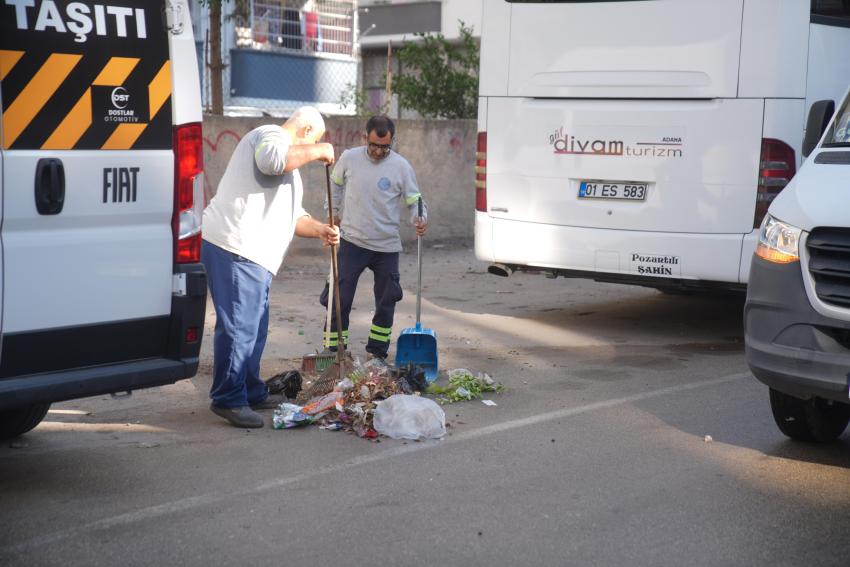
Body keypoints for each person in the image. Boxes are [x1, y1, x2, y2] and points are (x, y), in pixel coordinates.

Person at [202, 106, 338, 428]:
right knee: (240, 327)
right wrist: (319, 150)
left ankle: (250, 390)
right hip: (236, 247)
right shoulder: (270, 136)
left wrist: (320, 229)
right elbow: (272, 161)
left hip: (254, 257)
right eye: (313, 140)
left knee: (255, 327)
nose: (311, 149)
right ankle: (228, 398)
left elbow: (294, 217)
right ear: (306, 131)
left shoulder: (288, 167)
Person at [321, 115, 428, 362]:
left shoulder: (401, 167)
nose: (379, 151)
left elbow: (415, 200)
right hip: (352, 240)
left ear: (392, 142)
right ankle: (334, 351)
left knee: (387, 299)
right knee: (339, 297)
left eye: (385, 147)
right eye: (374, 145)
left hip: (386, 245)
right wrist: (332, 211)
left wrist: (420, 217)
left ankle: (377, 352)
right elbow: (334, 184)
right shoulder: (349, 158)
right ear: (364, 138)